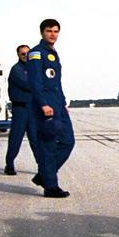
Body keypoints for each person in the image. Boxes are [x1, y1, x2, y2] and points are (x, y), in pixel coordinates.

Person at [27, 20, 72, 199]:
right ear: (42, 32)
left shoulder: (53, 53)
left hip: (58, 106)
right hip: (45, 106)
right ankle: (50, 186)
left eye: (56, 31)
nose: (53, 34)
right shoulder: (36, 53)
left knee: (68, 141)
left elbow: (57, 82)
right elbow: (35, 82)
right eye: (49, 31)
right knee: (48, 146)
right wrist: (43, 104)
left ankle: (44, 175)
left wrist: (63, 103)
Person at [5, 45, 39, 176]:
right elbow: (28, 84)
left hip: (33, 108)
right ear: (18, 55)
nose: (25, 56)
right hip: (21, 108)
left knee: (36, 138)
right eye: (22, 54)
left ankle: (41, 165)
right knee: (16, 138)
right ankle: (9, 164)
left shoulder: (35, 69)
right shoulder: (16, 70)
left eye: (27, 53)